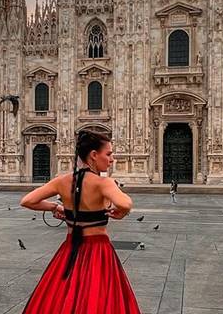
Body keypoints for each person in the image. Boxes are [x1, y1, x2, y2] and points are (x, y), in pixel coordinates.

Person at [20, 130, 140, 313]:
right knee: (97, 297)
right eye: (108, 154)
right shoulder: (104, 183)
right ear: (93, 155)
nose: (112, 159)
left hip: (69, 250)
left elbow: (27, 201)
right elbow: (125, 203)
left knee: (63, 296)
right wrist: (122, 212)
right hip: (98, 251)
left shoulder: (61, 181)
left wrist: (55, 207)